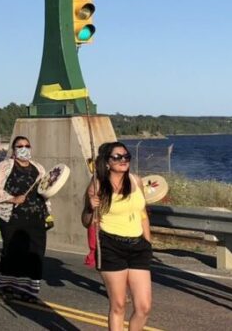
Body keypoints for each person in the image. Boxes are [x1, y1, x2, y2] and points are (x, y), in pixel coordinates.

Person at [87, 142, 152, 331]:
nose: (123, 160)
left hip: (138, 246)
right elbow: (86, 220)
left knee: (144, 307)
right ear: (107, 162)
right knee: (119, 305)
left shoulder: (136, 180)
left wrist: (147, 243)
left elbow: (143, 214)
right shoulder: (97, 184)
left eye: (126, 156)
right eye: (117, 157)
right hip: (111, 246)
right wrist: (91, 208)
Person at [0, 136, 50, 303]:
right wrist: (12, 198)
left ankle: (29, 290)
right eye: (20, 146)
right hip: (13, 218)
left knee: (35, 254)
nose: (24, 148)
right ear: (13, 149)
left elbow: (46, 190)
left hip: (37, 217)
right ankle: (9, 287)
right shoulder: (5, 166)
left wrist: (48, 212)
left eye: (27, 145)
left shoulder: (38, 168)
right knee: (13, 252)